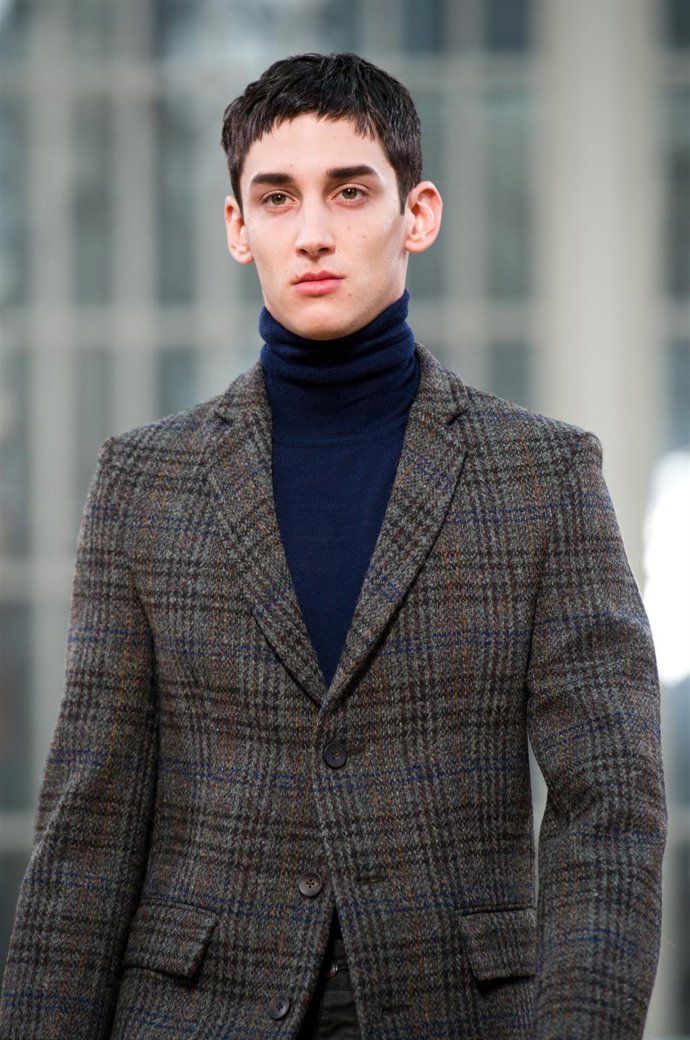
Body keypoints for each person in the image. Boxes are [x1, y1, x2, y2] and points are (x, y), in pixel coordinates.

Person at [0, 52, 666, 1040]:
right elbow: (90, 820)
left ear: (419, 214)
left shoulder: (544, 475)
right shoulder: (145, 481)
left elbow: (608, 805)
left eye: (350, 191)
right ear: (237, 227)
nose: (313, 232)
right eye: (277, 197)